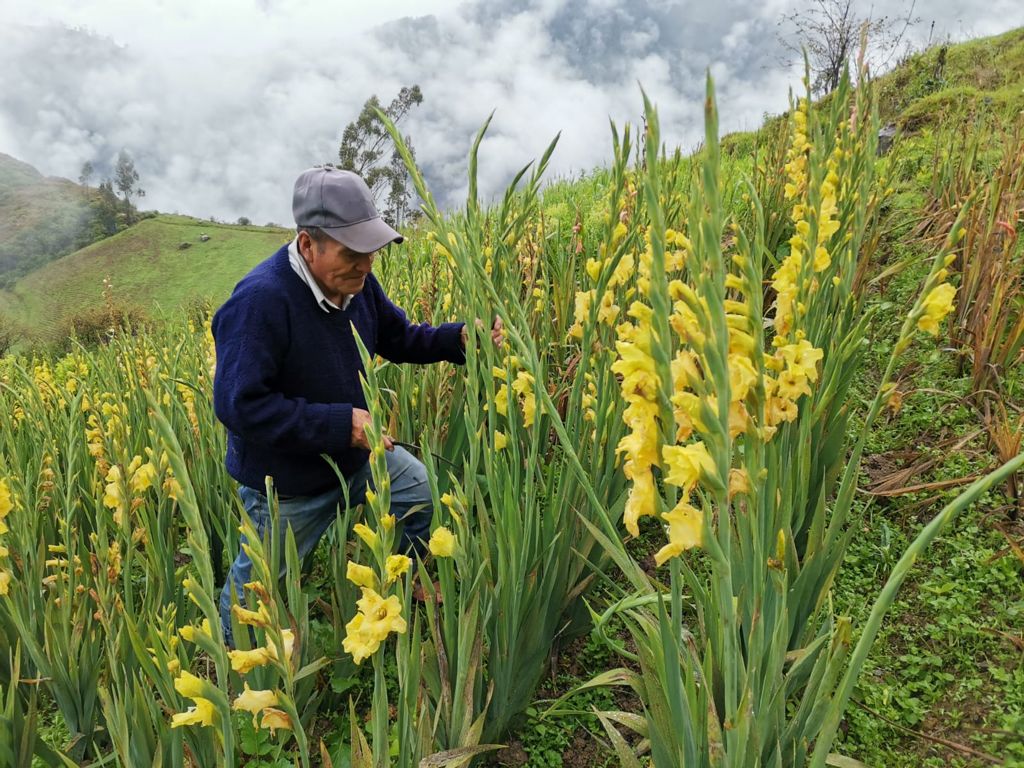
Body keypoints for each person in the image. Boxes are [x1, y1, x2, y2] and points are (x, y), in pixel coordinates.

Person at [212, 166, 500, 645]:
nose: (365, 265)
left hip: (356, 455)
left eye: (371, 251)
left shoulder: (357, 285)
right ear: (309, 244)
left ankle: (395, 587)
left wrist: (460, 339)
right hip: (288, 483)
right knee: (258, 587)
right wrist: (339, 425)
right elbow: (238, 406)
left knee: (417, 492)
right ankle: (232, 656)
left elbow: (399, 337)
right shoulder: (260, 302)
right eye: (352, 253)